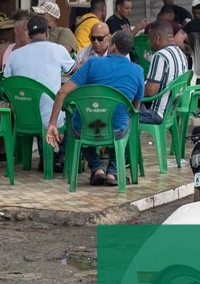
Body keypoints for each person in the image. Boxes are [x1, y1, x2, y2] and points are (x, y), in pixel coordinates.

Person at [45, 31, 145, 187]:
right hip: (118, 130)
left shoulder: (93, 63)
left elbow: (62, 92)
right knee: (127, 124)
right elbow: (135, 107)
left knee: (77, 126)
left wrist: (52, 123)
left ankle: (97, 168)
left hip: (85, 128)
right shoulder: (137, 70)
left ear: (113, 46)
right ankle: (113, 171)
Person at [4, 16, 74, 137]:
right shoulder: (58, 50)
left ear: (29, 35)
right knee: (71, 112)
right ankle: (60, 148)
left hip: (22, 120)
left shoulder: (13, 55)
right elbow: (75, 70)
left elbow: (6, 87)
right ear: (47, 32)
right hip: (51, 122)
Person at [140, 21, 189, 124]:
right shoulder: (180, 54)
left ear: (157, 37)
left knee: (119, 115)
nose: (148, 41)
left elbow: (150, 91)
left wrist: (133, 91)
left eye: (149, 38)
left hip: (156, 114)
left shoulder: (160, 56)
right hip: (171, 112)